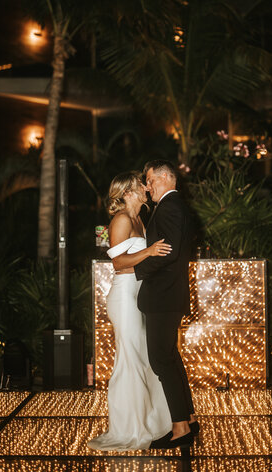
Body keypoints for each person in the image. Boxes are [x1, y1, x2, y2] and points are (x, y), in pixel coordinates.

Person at [87, 171, 172, 451]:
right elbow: (119, 263)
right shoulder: (122, 219)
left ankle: (152, 423)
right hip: (124, 296)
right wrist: (149, 252)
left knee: (144, 360)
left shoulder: (139, 219)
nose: (147, 187)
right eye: (141, 185)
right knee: (131, 361)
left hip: (139, 296)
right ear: (128, 192)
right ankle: (129, 429)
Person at [134, 160, 198, 450]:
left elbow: (168, 252)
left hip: (163, 296)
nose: (147, 187)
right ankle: (188, 419)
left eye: (149, 180)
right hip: (168, 295)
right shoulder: (177, 205)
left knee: (161, 360)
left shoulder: (170, 206)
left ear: (163, 177)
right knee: (170, 358)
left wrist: (137, 270)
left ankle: (180, 428)